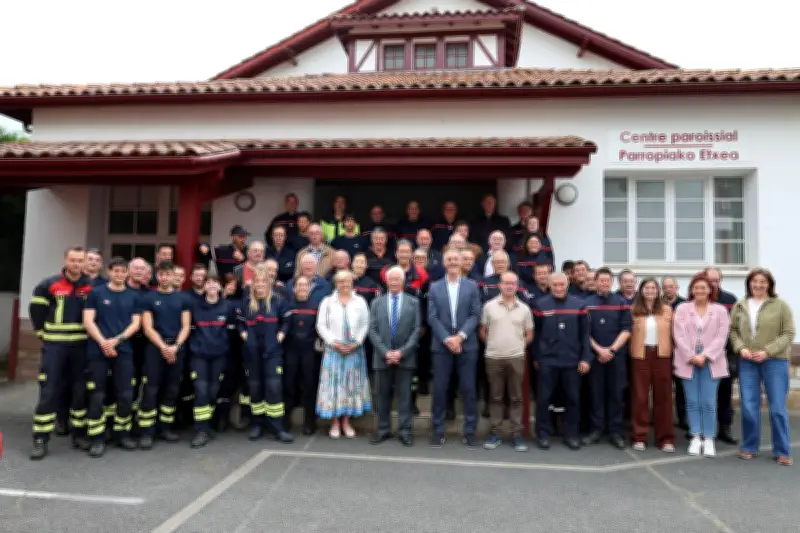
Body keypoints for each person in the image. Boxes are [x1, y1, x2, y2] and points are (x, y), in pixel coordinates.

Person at [29, 246, 93, 460]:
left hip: (81, 347)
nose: (76, 264)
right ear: (65, 260)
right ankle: (40, 438)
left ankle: (79, 434)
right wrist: (43, 335)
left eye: (80, 261)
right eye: (73, 260)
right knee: (49, 391)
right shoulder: (48, 285)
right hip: (55, 347)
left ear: (85, 263)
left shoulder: (91, 287)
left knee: (79, 392)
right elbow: (36, 313)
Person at [730, 268, 795, 466]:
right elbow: (733, 331)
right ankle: (749, 446)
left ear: (769, 284)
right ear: (749, 283)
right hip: (748, 361)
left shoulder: (780, 305)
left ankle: (782, 450)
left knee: (777, 408)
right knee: (749, 406)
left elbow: (788, 333)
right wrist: (740, 348)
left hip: (774, 361)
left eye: (763, 282)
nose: (758, 285)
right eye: (754, 281)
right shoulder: (740, 305)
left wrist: (767, 351)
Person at [82, 257, 142, 457]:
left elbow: (135, 324)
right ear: (109, 272)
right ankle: (97, 438)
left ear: (127, 273)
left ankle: (121, 433)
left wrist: (116, 341)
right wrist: (103, 342)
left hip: (123, 351)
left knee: (125, 395)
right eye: (115, 271)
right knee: (97, 395)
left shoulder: (134, 296)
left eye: (122, 271)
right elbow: (88, 321)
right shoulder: (96, 293)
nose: (119, 274)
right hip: (97, 351)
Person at [427, 248, 482, 449]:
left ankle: (470, 432)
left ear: (461, 262)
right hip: (441, 347)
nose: (452, 262)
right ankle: (438, 430)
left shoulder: (472, 286)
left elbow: (476, 314)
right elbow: (431, 317)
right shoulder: (434, 287)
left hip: (467, 346)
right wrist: (447, 339)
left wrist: (459, 337)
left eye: (455, 259)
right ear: (443, 262)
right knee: (440, 389)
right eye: (448, 259)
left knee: (468, 389)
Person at [532, 272, 592, 451]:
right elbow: (536, 336)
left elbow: (585, 336)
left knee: (573, 399)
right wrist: (536, 357)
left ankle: (571, 434)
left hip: (572, 362)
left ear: (567, 284)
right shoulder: (540, 305)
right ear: (549, 285)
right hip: (547, 361)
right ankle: (543, 433)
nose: (559, 288)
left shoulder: (579, 305)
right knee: (544, 399)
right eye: (555, 285)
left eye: (562, 285)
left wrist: (585, 358)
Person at [673, 272, 730, 458]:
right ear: (691, 290)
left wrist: (705, 355)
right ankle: (696, 436)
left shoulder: (720, 310)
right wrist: (690, 355)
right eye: (696, 287)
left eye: (703, 288)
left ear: (710, 290)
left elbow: (721, 337)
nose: (699, 290)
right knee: (692, 401)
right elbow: (678, 334)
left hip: (711, 362)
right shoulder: (682, 308)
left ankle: (709, 438)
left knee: (708, 401)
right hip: (687, 361)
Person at [139, 261, 192, 448]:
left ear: (173, 276)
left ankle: (165, 428)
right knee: (151, 390)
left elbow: (186, 326)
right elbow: (147, 327)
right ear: (157, 276)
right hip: (155, 348)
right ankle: (146, 432)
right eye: (161, 274)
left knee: (172, 390)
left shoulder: (183, 298)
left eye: (167, 274)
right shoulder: (148, 298)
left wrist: (176, 346)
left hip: (176, 348)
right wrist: (163, 347)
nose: (164, 277)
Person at [237, 269, 293, 443]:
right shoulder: (246, 302)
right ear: (253, 284)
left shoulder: (278, 301)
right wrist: (245, 336)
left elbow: (287, 321)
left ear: (269, 284)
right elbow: (239, 324)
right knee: (255, 389)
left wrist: (280, 336)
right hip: (252, 354)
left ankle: (277, 427)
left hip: (273, 352)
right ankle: (257, 425)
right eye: (257, 282)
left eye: (263, 282)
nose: (260, 285)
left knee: (274, 388)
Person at [480, 272, 534, 452]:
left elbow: (529, 334)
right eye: (506, 283)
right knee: (495, 397)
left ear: (517, 286)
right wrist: (493, 344)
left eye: (513, 283)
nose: (509, 286)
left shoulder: (524, 309)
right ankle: (495, 433)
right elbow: (483, 330)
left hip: (516, 357)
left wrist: (518, 346)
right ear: (499, 285)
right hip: (493, 357)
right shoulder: (489, 306)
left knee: (516, 397)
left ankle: (516, 434)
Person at [369, 266, 422, 447]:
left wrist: (401, 352)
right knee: (382, 396)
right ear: (386, 281)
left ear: (403, 282)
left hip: (405, 357)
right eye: (391, 279)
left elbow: (416, 331)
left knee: (405, 397)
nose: (394, 282)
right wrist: (386, 352)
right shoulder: (376, 303)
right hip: (382, 357)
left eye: (397, 279)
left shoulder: (413, 302)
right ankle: (383, 430)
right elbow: (372, 330)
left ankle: (405, 431)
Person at [316, 270, 372, 438]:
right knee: (334, 386)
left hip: (354, 351)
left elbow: (365, 324)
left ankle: (346, 422)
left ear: (352, 283)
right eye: (341, 282)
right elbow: (321, 326)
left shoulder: (360, 301)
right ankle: (334, 422)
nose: (345, 285)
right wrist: (334, 342)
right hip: (334, 351)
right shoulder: (327, 302)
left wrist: (357, 342)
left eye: (347, 281)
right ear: (336, 284)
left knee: (350, 386)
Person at [584, 267, 631, 449]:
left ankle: (615, 432)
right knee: (596, 395)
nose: (604, 283)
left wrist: (611, 350)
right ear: (595, 282)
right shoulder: (586, 304)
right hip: (595, 358)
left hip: (616, 358)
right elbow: (584, 333)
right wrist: (599, 350)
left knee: (616, 395)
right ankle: (596, 430)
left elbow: (626, 330)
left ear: (612, 283)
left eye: (607, 280)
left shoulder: (621, 303)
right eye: (601, 280)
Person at [187, 275, 235, 448]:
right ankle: (200, 430)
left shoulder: (228, 307)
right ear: (204, 286)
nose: (212, 285)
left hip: (219, 356)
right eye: (209, 282)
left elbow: (231, 332)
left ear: (221, 287)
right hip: (199, 356)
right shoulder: (195, 306)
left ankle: (206, 426)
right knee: (201, 391)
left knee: (213, 391)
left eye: (215, 282)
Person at [629, 278, 675, 452]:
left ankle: (665, 438)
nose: (650, 291)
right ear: (641, 291)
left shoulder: (666, 310)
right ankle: (639, 437)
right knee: (640, 397)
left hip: (661, 355)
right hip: (640, 356)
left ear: (658, 291)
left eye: (653, 288)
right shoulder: (633, 310)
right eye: (647, 288)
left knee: (663, 397)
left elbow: (674, 334)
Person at [704, 267, 740, 445]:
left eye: (716, 280)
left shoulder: (730, 300)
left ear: (720, 281)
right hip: (702, 355)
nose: (712, 284)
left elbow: (736, 328)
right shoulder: (697, 299)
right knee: (705, 394)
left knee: (725, 394)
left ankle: (724, 428)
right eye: (709, 280)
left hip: (725, 355)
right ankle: (704, 429)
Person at [283, 276, 322, 436]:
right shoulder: (288, 306)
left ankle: (310, 422)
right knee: (289, 385)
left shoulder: (316, 306)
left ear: (310, 287)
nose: (302, 288)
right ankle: (285, 420)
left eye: (305, 285)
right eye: (299, 285)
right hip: (291, 350)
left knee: (309, 386)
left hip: (309, 352)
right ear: (294, 288)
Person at [662, 276, 688, 431]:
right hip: (663, 351)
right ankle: (664, 418)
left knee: (681, 387)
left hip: (681, 351)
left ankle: (683, 418)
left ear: (677, 288)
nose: (668, 289)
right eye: (665, 287)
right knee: (663, 387)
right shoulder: (657, 304)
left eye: (671, 286)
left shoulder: (685, 305)